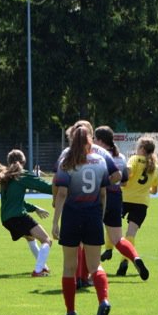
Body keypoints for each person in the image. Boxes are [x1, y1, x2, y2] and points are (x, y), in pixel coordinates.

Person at [52, 126, 111, 315]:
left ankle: (70, 310)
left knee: (69, 266)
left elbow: (61, 193)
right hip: (93, 215)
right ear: (90, 140)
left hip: (72, 216)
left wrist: (55, 222)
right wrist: (99, 216)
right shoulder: (101, 161)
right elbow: (103, 194)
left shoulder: (66, 162)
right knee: (95, 265)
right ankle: (103, 300)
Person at [54, 120, 121, 289]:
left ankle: (77, 286)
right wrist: (100, 185)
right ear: (90, 136)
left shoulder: (67, 155)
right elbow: (117, 175)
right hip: (94, 208)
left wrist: (55, 203)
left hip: (72, 209)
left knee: (71, 255)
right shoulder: (100, 154)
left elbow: (58, 183)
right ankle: (100, 295)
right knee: (93, 258)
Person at [94, 126, 149, 280]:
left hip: (100, 196)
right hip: (117, 197)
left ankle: (90, 273)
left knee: (90, 236)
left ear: (100, 140)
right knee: (118, 239)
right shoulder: (121, 157)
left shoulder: (96, 155)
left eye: (94, 138)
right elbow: (124, 181)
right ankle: (135, 258)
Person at [0, 149, 53, 277]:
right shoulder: (22, 175)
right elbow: (44, 186)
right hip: (18, 217)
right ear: (23, 161)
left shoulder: (6, 177)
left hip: (6, 219)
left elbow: (16, 200)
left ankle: (43, 267)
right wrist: (62, 187)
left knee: (30, 238)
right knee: (47, 240)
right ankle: (38, 271)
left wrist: (35, 208)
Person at [116, 136, 158, 277]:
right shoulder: (155, 166)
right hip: (142, 203)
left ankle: (109, 249)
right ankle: (125, 262)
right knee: (131, 233)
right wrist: (144, 190)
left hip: (125, 199)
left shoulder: (134, 159)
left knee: (112, 225)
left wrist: (123, 182)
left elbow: (127, 171)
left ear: (141, 148)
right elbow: (154, 190)